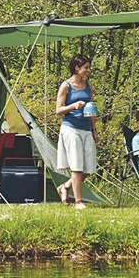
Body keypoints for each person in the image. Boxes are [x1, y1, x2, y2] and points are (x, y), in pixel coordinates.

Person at [55, 54, 98, 210]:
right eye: (86, 67)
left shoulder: (88, 85)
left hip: (86, 128)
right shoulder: (66, 86)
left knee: (89, 168)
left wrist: (94, 129)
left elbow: (91, 108)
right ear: (77, 68)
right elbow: (58, 110)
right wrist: (73, 106)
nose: (88, 70)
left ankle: (65, 187)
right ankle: (78, 201)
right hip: (71, 128)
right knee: (77, 167)